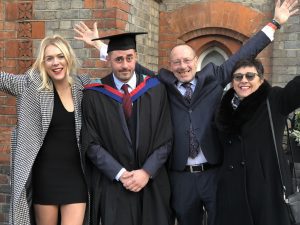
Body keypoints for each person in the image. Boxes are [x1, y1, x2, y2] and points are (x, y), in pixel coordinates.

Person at [75, 1, 298, 224]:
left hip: (213, 172)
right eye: (177, 63)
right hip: (181, 177)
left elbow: (245, 53)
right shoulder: (162, 83)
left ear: (196, 61)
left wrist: (275, 23)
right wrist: (101, 48)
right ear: (170, 66)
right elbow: (131, 67)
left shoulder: (214, 78)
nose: (183, 66)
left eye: (187, 61)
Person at [81, 32, 173, 225]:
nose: (125, 65)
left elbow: (166, 137)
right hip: (114, 184)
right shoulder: (94, 95)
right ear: (109, 60)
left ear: (136, 57)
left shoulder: (156, 89)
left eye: (129, 58)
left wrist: (146, 172)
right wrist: (121, 173)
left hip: (151, 182)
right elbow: (90, 143)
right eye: (119, 59)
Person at [1, 35, 90, 225]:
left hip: (75, 177)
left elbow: (118, 77)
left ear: (68, 58)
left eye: (60, 56)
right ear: (43, 62)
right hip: (45, 177)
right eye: (49, 58)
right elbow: (2, 79)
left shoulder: (82, 86)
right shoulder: (30, 85)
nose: (56, 63)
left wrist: (100, 46)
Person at [214, 58, 300, 225]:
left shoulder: (274, 99)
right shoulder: (223, 108)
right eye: (238, 77)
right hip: (231, 190)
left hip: (267, 187)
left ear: (260, 79)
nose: (243, 80)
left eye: (250, 76)